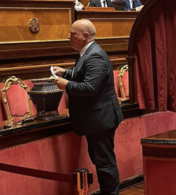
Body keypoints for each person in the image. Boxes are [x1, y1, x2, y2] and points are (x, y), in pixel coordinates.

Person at [53, 19, 123, 195]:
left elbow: (90, 88)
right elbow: (84, 75)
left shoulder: (95, 55)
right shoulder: (88, 52)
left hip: (101, 118)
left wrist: (66, 85)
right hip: (97, 117)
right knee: (102, 160)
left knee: (104, 162)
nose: (68, 36)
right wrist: (67, 73)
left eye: (73, 33)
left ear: (85, 36)